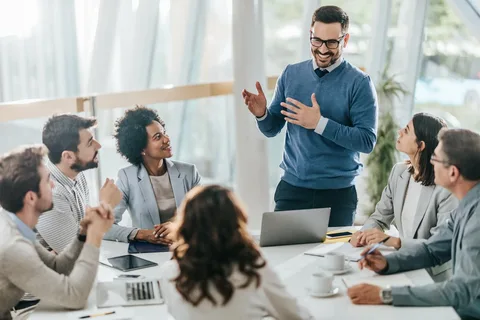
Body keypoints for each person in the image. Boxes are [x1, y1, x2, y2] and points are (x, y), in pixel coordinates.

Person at [242, 5, 377, 226]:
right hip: (292, 190)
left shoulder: (360, 83)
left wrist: (319, 123)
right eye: (317, 40)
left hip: (338, 195)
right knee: (282, 257)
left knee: (334, 260)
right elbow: (272, 128)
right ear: (310, 36)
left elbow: (366, 141)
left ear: (346, 39)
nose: (323, 49)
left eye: (332, 42)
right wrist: (262, 114)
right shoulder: (291, 74)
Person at [347, 128, 480, 319]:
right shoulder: (467, 205)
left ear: (453, 172)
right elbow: (432, 250)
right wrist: (387, 262)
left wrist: (385, 295)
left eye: (436, 158)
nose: (430, 162)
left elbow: (460, 291)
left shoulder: (477, 219)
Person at [159, 185, 313, 320]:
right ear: (236, 221)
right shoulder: (252, 268)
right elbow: (295, 316)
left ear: (186, 224)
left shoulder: (170, 273)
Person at [0, 145, 116, 320]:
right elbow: (75, 297)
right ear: (31, 197)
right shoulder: (12, 246)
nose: (53, 184)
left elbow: (57, 267)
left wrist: (83, 234)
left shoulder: (15, 226)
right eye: (47, 180)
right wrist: (95, 235)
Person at [351, 113, 457, 250]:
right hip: (404, 258)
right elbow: (379, 218)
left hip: (431, 268)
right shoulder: (399, 172)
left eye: (406, 131)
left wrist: (394, 242)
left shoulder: (445, 188)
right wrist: (362, 235)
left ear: (420, 145)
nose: (399, 132)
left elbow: (440, 243)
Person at [104, 106, 201, 244]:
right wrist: (142, 234)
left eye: (164, 133)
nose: (167, 139)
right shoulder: (127, 177)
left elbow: (206, 217)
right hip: (148, 255)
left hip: (188, 249)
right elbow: (105, 227)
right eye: (158, 137)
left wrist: (178, 226)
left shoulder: (189, 172)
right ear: (141, 148)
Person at [36, 114, 121, 253]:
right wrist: (106, 205)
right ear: (68, 156)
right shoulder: (50, 194)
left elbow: (82, 233)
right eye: (90, 142)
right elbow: (78, 252)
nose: (98, 145)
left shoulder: (76, 175)